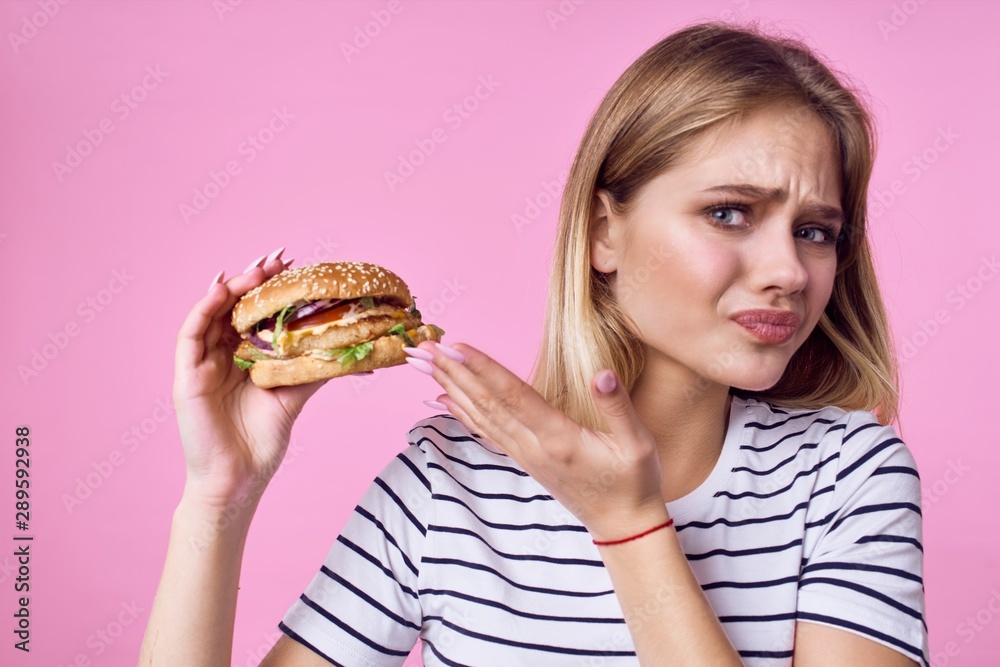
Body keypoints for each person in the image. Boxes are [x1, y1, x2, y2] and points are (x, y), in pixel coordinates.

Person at [138, 20, 928, 667]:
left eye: (816, 231)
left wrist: (630, 524)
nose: (789, 271)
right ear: (601, 231)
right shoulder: (448, 481)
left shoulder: (849, 477)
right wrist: (218, 498)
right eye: (729, 212)